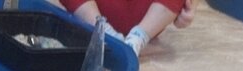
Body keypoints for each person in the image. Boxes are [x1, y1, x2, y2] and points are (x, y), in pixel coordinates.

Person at [58, 0, 196, 57]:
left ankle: (136, 38)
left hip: (149, 18)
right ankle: (105, 32)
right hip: (94, 13)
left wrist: (191, 5)